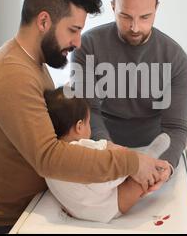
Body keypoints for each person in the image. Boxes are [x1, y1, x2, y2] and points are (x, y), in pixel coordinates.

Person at [0, 0, 170, 234]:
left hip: (25, 208)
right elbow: (49, 156)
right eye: (73, 30)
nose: (78, 42)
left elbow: (68, 124)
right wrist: (132, 163)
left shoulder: (32, 64)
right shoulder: (11, 74)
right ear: (44, 21)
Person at [72, 0, 187, 178]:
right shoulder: (87, 47)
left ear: (156, 9)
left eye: (145, 17)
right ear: (113, 7)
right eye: (125, 16)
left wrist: (165, 165)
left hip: (154, 150)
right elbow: (89, 112)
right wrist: (113, 153)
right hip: (102, 147)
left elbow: (175, 127)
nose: (135, 27)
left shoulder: (176, 59)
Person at [44, 87, 171, 223]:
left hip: (77, 209)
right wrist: (131, 169)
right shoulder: (81, 152)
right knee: (137, 181)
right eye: (88, 123)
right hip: (108, 206)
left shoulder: (49, 155)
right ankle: (151, 156)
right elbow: (105, 176)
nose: (90, 128)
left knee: (111, 150)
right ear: (79, 126)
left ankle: (139, 157)